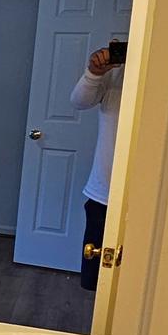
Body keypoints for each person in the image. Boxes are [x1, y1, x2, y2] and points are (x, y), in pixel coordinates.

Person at [71, 40, 124, 290]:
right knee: (95, 280)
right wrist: (94, 72)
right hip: (102, 193)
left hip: (146, 201)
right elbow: (79, 102)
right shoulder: (116, 75)